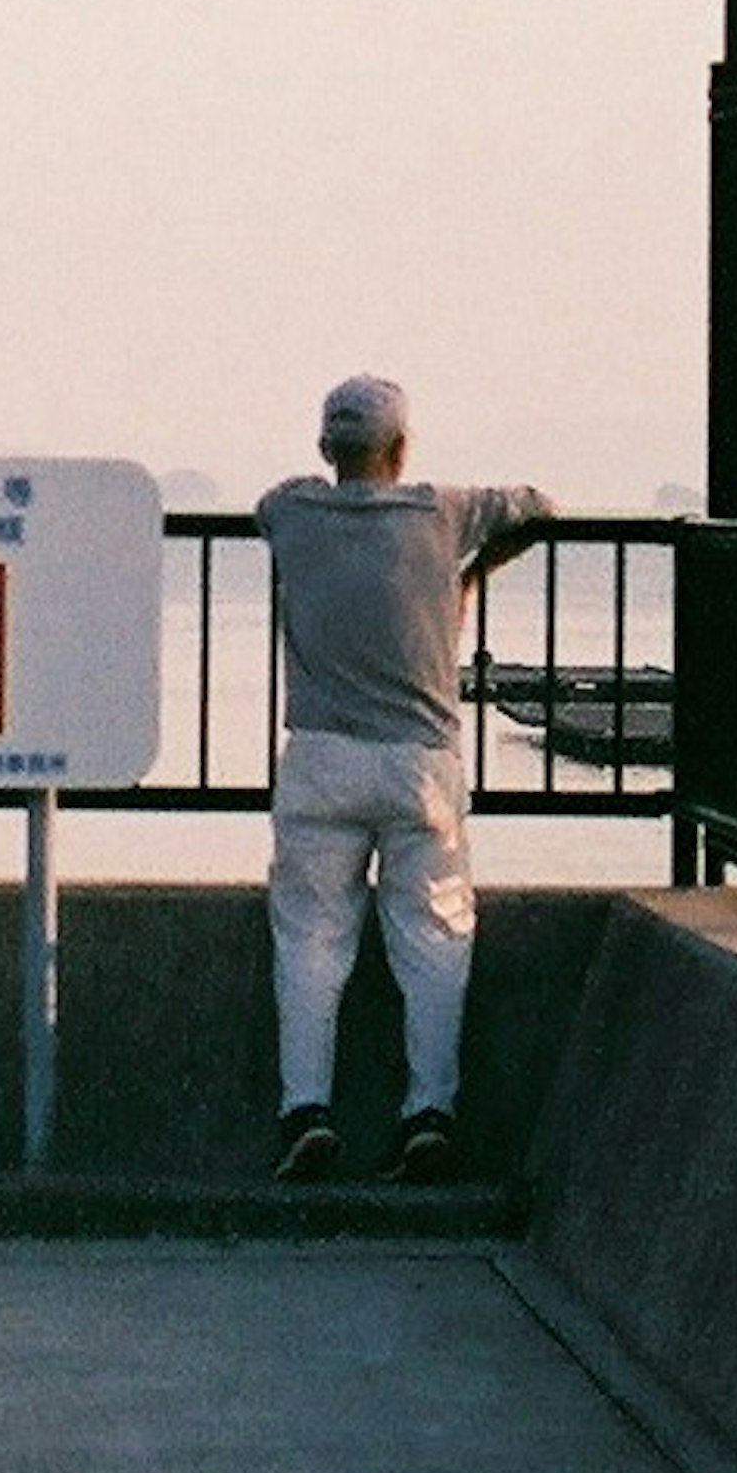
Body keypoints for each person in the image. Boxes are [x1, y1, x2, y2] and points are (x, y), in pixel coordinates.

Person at [258, 378, 548, 1188]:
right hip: (421, 760)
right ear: (402, 448)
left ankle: (307, 1112)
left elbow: (267, 512)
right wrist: (472, 571)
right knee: (434, 938)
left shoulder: (289, 509)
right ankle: (427, 1114)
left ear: (326, 450)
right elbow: (541, 506)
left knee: (311, 938)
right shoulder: (443, 510)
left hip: (319, 756)